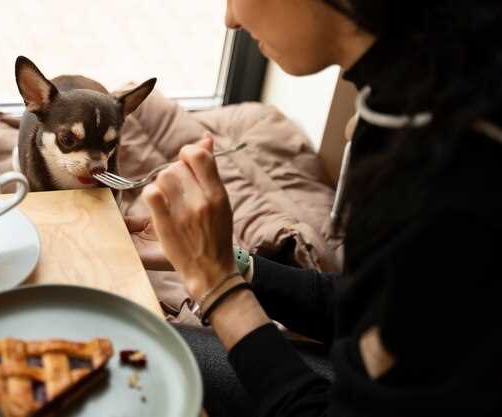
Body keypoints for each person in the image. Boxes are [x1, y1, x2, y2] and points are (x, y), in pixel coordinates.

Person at [126, 1, 502, 416]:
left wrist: (218, 288)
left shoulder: (449, 175)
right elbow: (377, 303)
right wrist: (230, 262)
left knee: (133, 351)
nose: (229, 20)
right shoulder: (420, 85)